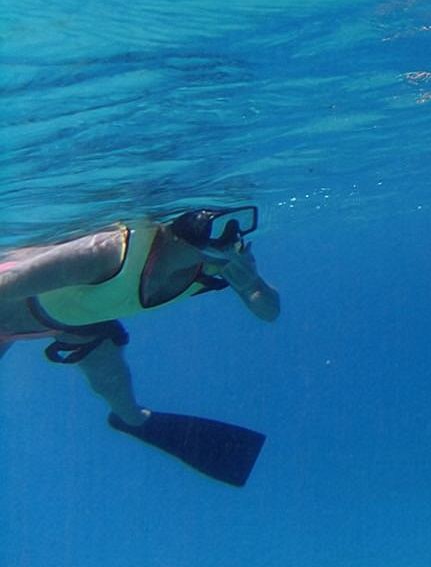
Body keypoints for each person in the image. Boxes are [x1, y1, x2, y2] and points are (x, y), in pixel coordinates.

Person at [0, 206, 279, 485]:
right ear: (175, 232)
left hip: (78, 319)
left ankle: (133, 420)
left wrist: (252, 283)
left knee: (114, 386)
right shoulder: (107, 253)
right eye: (212, 227)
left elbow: (269, 311)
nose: (229, 241)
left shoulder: (212, 266)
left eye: (236, 228)